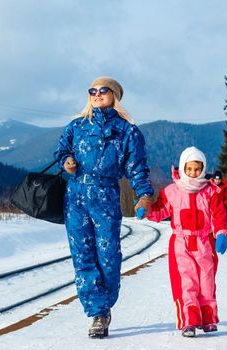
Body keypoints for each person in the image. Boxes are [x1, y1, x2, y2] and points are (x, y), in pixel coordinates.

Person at [54, 77, 154, 339]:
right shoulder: (76, 126)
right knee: (82, 256)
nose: (96, 94)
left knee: (108, 255)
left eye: (103, 90)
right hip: (75, 196)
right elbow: (61, 150)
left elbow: (137, 167)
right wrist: (66, 162)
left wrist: (144, 195)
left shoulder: (128, 131)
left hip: (106, 195)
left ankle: (106, 301)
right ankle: (98, 313)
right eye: (92, 91)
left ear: (115, 95)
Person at [146, 146, 227, 338]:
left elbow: (219, 215)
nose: (193, 173)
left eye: (197, 169)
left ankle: (208, 319)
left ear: (203, 169)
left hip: (204, 241)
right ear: (183, 168)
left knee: (207, 282)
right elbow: (161, 210)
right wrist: (148, 210)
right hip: (181, 243)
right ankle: (189, 321)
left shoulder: (211, 191)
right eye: (189, 169)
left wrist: (222, 233)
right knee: (186, 282)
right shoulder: (172, 191)